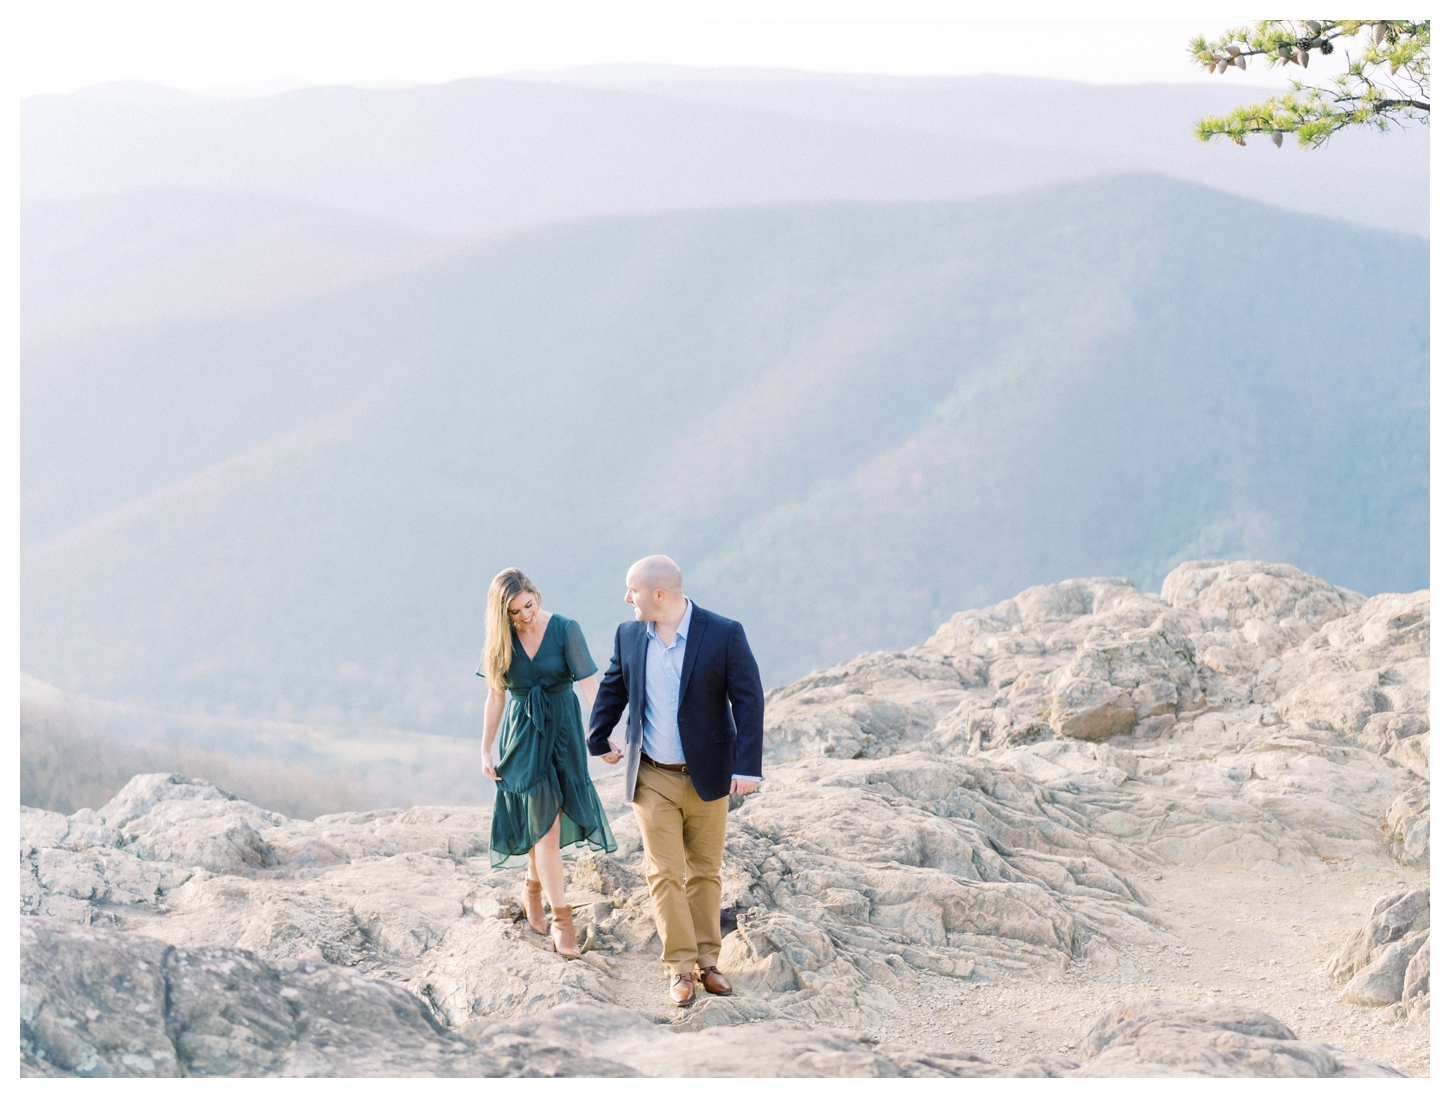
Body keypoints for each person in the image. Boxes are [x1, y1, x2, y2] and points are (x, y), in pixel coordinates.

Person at [588, 555, 764, 1007]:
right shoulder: (629, 635)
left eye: (633, 591)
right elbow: (614, 686)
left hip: (709, 775)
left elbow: (748, 701)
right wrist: (598, 736)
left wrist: (746, 766)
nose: (626, 599)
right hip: (652, 776)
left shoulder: (724, 633)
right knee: (664, 873)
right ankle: (680, 969)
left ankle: (709, 963)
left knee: (704, 873)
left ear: (659, 594)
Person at [479, 567, 616, 959]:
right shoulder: (499, 641)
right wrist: (485, 750)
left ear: (536, 594)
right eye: (514, 612)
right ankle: (562, 921)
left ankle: (532, 888)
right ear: (501, 613)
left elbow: (590, 685)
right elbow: (495, 698)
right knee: (548, 831)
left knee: (548, 824)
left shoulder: (566, 629)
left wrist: (601, 733)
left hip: (564, 733)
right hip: (522, 739)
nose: (524, 616)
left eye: (528, 605)